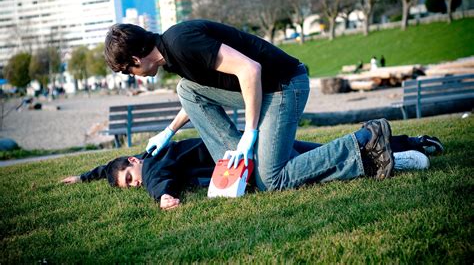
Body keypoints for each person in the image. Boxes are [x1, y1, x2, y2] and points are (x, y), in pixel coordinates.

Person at [104, 20, 394, 192]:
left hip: (284, 86)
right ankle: (244, 165)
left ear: (136, 60)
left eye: (129, 72)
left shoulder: (181, 43)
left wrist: (250, 132)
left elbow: (250, 70)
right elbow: (196, 97)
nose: (135, 78)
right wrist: (169, 131)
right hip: (266, 89)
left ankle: (365, 140)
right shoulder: (172, 57)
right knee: (186, 90)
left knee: (272, 179)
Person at [61, 135, 444, 210]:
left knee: (319, 163)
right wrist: (85, 176)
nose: (136, 183)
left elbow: (158, 179)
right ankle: (412, 145)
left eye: (131, 177)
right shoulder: (147, 158)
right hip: (251, 157)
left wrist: (161, 195)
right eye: (131, 187)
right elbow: (109, 168)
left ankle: (399, 148)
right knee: (322, 155)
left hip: (253, 160)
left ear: (134, 162)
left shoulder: (155, 162)